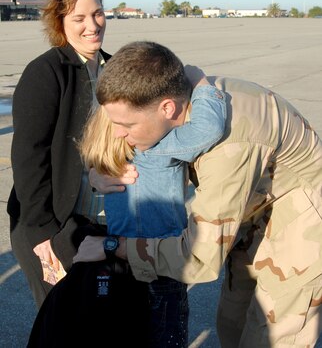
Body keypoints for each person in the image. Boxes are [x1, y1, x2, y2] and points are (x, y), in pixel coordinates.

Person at [75, 71, 322, 346]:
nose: (120, 132)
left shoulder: (219, 147)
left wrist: (113, 246)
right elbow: (101, 137)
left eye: (127, 125)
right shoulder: (162, 104)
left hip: (302, 223)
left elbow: (197, 260)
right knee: (233, 322)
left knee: (273, 337)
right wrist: (97, 173)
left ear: (166, 108)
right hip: (252, 211)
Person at [78, 40, 227, 347]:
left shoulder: (106, 149)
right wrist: (199, 82)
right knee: (165, 336)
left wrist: (93, 176)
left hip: (119, 261)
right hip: (161, 263)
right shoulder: (160, 145)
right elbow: (208, 128)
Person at [6, 0, 138, 309]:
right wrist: (45, 235)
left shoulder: (114, 69)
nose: (92, 26)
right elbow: (28, 159)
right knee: (62, 322)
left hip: (100, 223)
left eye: (97, 13)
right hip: (53, 224)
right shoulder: (47, 72)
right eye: (79, 17)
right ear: (60, 21)